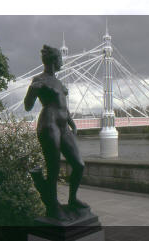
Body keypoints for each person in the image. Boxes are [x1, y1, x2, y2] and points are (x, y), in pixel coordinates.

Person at [24, 45, 87, 219]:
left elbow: (63, 107)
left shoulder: (59, 82)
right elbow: (27, 106)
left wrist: (72, 123)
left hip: (63, 125)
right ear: (53, 60)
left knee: (79, 165)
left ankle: (72, 200)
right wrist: (33, 89)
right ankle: (54, 206)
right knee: (54, 167)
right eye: (60, 59)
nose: (61, 63)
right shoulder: (38, 79)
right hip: (49, 124)